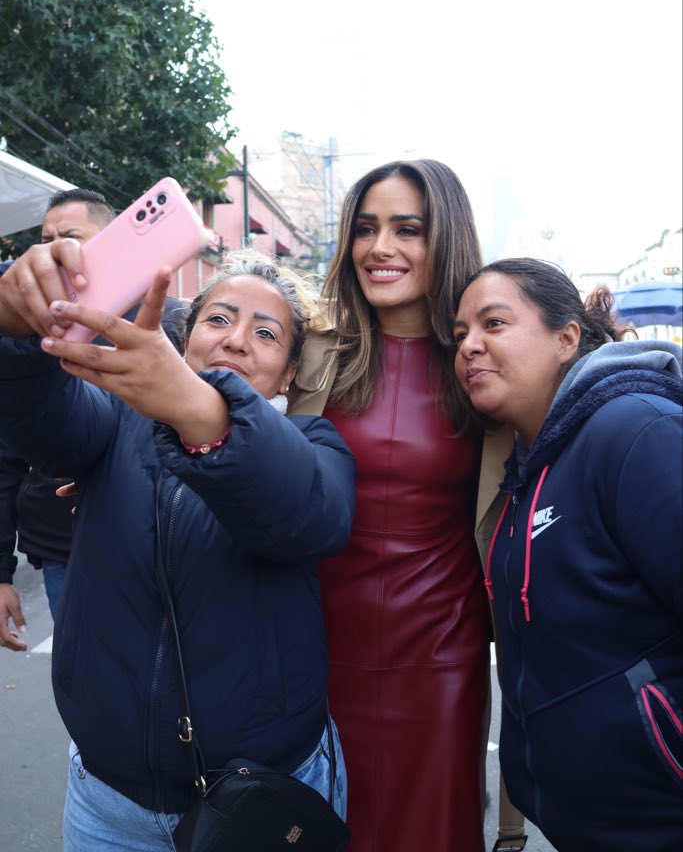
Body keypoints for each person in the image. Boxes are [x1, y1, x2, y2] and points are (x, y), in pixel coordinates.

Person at [0, 243, 354, 852]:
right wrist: (14, 329)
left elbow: (309, 516)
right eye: (218, 319)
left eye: (266, 333)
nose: (236, 340)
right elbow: (39, 415)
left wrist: (206, 416)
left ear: (290, 372)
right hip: (108, 801)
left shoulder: (312, 442)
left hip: (261, 798)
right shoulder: (113, 420)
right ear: (183, 338)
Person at [289, 159, 492, 852]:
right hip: (306, 646)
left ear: (447, 242)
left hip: (439, 654)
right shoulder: (309, 352)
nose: (381, 248)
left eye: (408, 229)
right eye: (366, 229)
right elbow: (223, 422)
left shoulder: (483, 361)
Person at [454, 257, 682, 852]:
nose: (470, 346)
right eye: (460, 335)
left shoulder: (637, 431)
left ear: (566, 338)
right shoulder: (525, 472)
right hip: (583, 827)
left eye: (493, 324)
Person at [0, 188, 186, 644]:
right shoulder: (26, 335)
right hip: (65, 549)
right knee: (91, 693)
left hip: (162, 545)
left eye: (70, 236)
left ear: (111, 242)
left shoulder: (179, 324)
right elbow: (4, 460)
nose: (53, 251)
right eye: (44, 239)